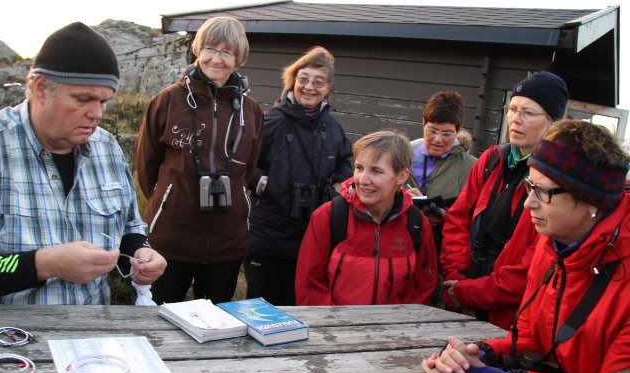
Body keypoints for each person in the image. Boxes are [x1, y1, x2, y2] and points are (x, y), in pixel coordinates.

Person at [0, 22, 166, 304]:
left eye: (105, 101)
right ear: (41, 88)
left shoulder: (107, 148)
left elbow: (129, 229)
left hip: (91, 335)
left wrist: (141, 252)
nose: (97, 113)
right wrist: (44, 264)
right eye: (83, 99)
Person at [421, 119, 630, 373]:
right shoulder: (555, 243)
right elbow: (533, 337)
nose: (529, 202)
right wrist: (479, 354)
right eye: (529, 185)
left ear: (590, 201)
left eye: (542, 192)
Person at [134, 16, 264, 304]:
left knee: (216, 323)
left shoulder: (252, 111)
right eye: (210, 49)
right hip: (171, 237)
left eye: (226, 52)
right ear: (198, 50)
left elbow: (250, 167)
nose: (216, 59)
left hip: (226, 242)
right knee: (160, 319)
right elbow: (146, 164)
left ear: (238, 57)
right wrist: (167, 199)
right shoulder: (169, 100)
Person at [440, 71, 569, 328]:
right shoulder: (492, 159)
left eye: (528, 113)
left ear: (553, 121)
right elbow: (458, 218)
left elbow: (534, 263)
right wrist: (457, 278)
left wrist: (471, 292)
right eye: (512, 109)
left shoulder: (558, 182)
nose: (515, 120)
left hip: (510, 314)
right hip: (462, 294)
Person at [245, 46, 353, 306]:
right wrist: (262, 183)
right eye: (303, 79)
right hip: (268, 234)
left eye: (319, 81)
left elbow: (346, 161)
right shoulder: (270, 121)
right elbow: (245, 161)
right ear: (292, 80)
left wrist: (339, 187)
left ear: (329, 88)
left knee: (297, 307)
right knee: (259, 307)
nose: (309, 87)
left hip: (311, 236)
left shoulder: (333, 127)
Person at [295, 130, 437, 305]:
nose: (362, 179)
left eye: (376, 171)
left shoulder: (416, 223)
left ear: (401, 176)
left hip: (397, 330)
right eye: (359, 168)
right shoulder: (328, 217)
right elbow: (310, 286)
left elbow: (422, 287)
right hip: (336, 329)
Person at [404, 91, 477, 306]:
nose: (437, 139)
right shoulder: (400, 156)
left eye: (447, 133)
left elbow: (476, 215)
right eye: (433, 130)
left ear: (458, 131)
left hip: (441, 256)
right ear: (423, 123)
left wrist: (447, 216)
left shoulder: (472, 167)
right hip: (400, 249)